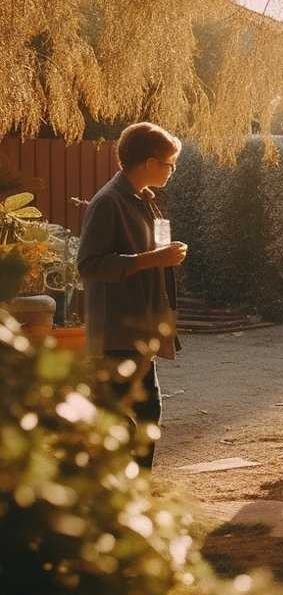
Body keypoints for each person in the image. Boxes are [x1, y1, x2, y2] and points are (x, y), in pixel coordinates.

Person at [78, 121, 188, 470]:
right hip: (116, 329)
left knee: (141, 412)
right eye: (170, 163)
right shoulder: (109, 202)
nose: (172, 170)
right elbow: (89, 265)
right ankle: (124, 494)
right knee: (129, 414)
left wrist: (162, 253)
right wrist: (153, 259)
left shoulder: (142, 200)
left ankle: (129, 492)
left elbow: (144, 251)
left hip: (138, 326)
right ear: (150, 162)